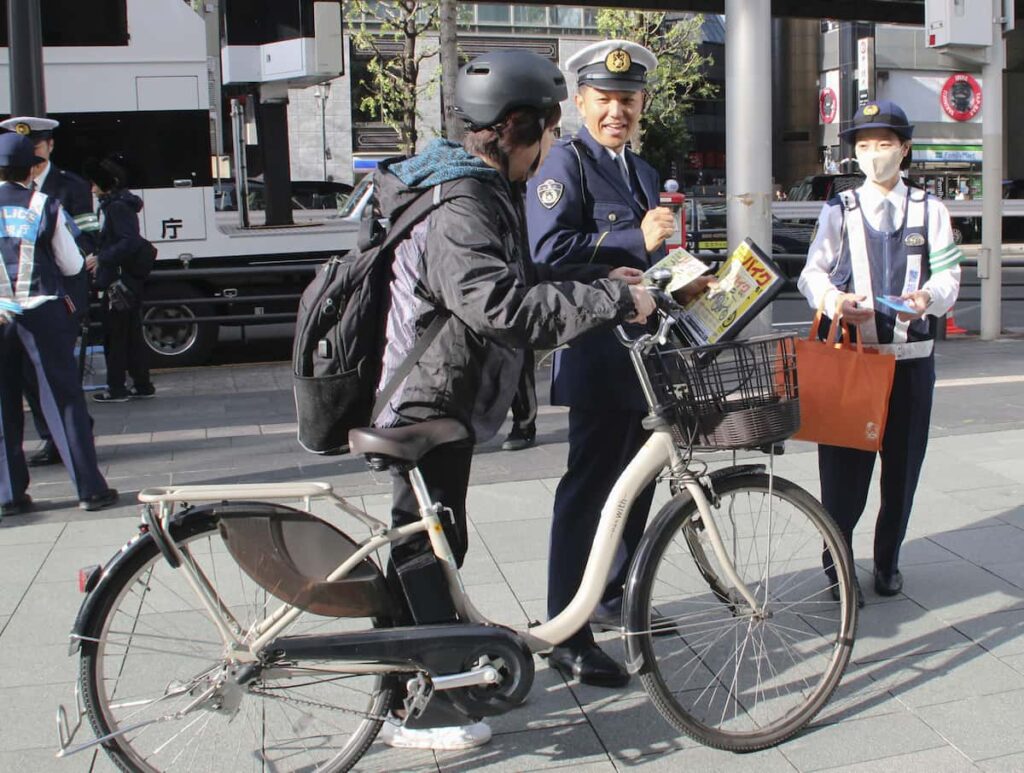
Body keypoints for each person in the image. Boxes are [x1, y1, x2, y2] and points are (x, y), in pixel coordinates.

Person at [370, 49, 656, 750]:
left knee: (435, 544)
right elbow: (501, 304)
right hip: (424, 399)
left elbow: (523, 272)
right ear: (519, 127)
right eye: (549, 132)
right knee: (422, 550)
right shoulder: (461, 203)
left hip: (444, 396)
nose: (549, 150)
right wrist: (615, 295)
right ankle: (416, 709)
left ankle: (408, 683)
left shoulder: (476, 188)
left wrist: (602, 275)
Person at [526, 39, 700, 688]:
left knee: (637, 490)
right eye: (604, 101)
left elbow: (662, 261)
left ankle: (611, 596)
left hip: (647, 364)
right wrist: (633, 238)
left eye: (627, 101)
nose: (616, 112)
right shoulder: (562, 167)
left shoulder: (646, 172)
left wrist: (715, 292)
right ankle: (565, 633)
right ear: (580, 102)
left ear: (642, 104)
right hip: (598, 360)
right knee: (588, 495)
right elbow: (548, 252)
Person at [798, 100, 961, 603]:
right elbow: (811, 272)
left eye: (885, 144)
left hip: (911, 365)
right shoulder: (839, 210)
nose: (874, 154)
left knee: (902, 470)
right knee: (843, 478)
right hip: (855, 364)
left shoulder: (931, 209)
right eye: (865, 146)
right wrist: (835, 301)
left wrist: (929, 298)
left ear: (905, 149)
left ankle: (887, 562)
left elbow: (950, 274)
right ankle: (839, 568)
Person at [0, 133, 119, 519]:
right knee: (63, 401)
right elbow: (70, 264)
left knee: (2, 408)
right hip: (42, 312)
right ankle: (89, 489)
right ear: (32, 168)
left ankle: (9, 495)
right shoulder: (44, 205)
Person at [0, 116, 98, 467]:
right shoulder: (44, 203)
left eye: (37, 146)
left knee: (57, 380)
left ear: (50, 146)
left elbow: (87, 239)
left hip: (56, 300)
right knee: (31, 381)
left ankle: (69, 440)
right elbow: (70, 259)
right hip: (34, 299)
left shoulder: (69, 186)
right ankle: (58, 443)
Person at [83, 157, 156, 402]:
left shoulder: (115, 207)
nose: (92, 188)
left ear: (107, 184)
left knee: (115, 336)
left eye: (95, 184)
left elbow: (128, 241)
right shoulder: (120, 204)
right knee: (131, 334)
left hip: (118, 281)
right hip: (128, 279)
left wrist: (102, 258)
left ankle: (117, 388)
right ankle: (142, 385)